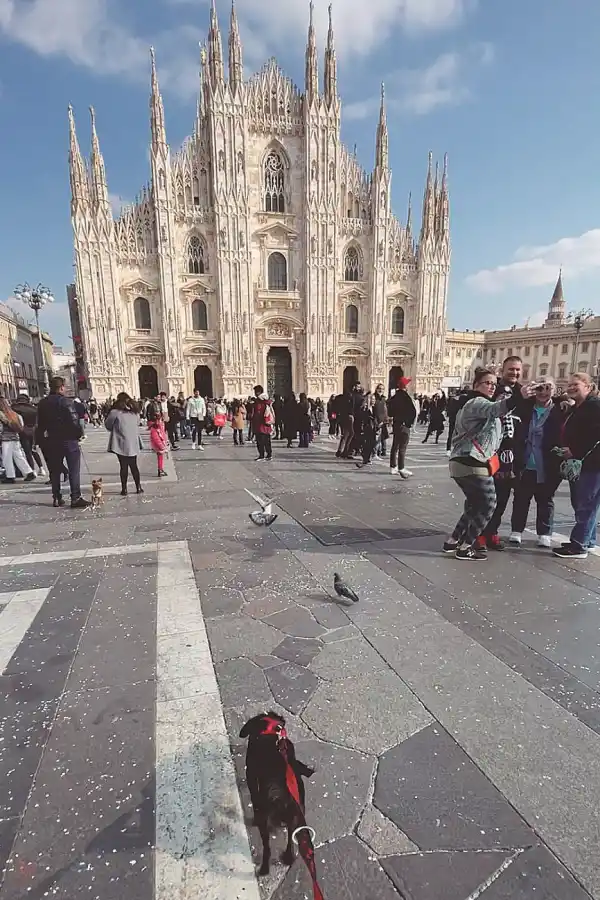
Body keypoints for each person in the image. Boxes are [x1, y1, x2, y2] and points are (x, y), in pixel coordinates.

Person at [443, 367, 534, 561]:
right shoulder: (477, 402)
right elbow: (496, 409)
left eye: (494, 383)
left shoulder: (478, 404)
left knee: (474, 505)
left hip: (465, 461)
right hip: (472, 461)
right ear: (476, 385)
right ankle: (466, 546)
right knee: (489, 504)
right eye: (487, 383)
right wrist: (518, 396)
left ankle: (452, 541)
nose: (492, 386)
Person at [509, 378, 563, 548]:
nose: (543, 392)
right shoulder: (525, 408)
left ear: (554, 391)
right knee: (520, 498)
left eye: (548, 388)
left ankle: (544, 533)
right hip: (524, 461)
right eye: (539, 388)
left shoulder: (560, 410)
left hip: (547, 463)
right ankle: (517, 530)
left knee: (545, 500)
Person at [552, 373, 600, 559]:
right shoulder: (579, 406)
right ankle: (587, 541)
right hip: (583, 463)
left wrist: (575, 450)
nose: (571, 387)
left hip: (592, 464)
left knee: (585, 504)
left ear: (588, 386)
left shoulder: (594, 406)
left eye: (576, 385)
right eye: (569, 384)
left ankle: (578, 546)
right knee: (588, 504)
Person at [480, 355, 523, 551]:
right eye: (511, 369)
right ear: (502, 371)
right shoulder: (493, 389)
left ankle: (492, 532)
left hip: (514, 452)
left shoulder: (523, 391)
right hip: (494, 449)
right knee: (487, 495)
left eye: (517, 369)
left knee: (503, 496)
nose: (514, 372)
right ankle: (479, 532)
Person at [36, 376, 89, 508]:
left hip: (52, 440)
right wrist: (79, 435)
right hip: (69, 440)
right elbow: (74, 422)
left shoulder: (42, 403)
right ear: (61, 387)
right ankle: (75, 497)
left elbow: (40, 425)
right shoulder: (67, 402)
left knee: (54, 470)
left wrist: (41, 440)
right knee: (73, 470)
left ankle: (57, 497)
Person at [105, 393, 144, 496]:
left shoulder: (115, 412)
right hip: (132, 442)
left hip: (120, 443)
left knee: (123, 466)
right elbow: (137, 423)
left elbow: (108, 425)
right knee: (134, 465)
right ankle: (138, 487)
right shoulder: (135, 413)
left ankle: (124, 489)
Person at [0, 398, 35, 485]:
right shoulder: (14, 414)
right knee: (18, 456)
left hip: (6, 439)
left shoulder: (1, 414)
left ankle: (10, 476)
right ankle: (29, 472)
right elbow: (21, 425)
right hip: (15, 437)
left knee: (6, 458)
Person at [12, 390, 46, 476]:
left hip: (23, 432)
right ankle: (41, 469)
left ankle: (32, 470)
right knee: (34, 450)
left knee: (27, 452)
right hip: (33, 431)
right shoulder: (34, 408)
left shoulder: (14, 408)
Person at [387, 377, 416, 477]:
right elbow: (413, 412)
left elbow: (390, 412)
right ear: (405, 386)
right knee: (403, 447)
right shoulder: (406, 397)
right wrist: (409, 423)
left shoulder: (394, 398)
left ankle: (392, 467)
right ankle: (401, 467)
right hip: (404, 425)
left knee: (395, 446)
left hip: (396, 424)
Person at [251, 385, 273, 461]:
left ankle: (262, 455)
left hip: (260, 424)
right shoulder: (268, 401)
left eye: (255, 392)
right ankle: (269, 454)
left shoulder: (258, 401)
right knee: (267, 440)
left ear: (258, 392)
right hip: (267, 424)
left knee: (260, 440)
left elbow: (257, 413)